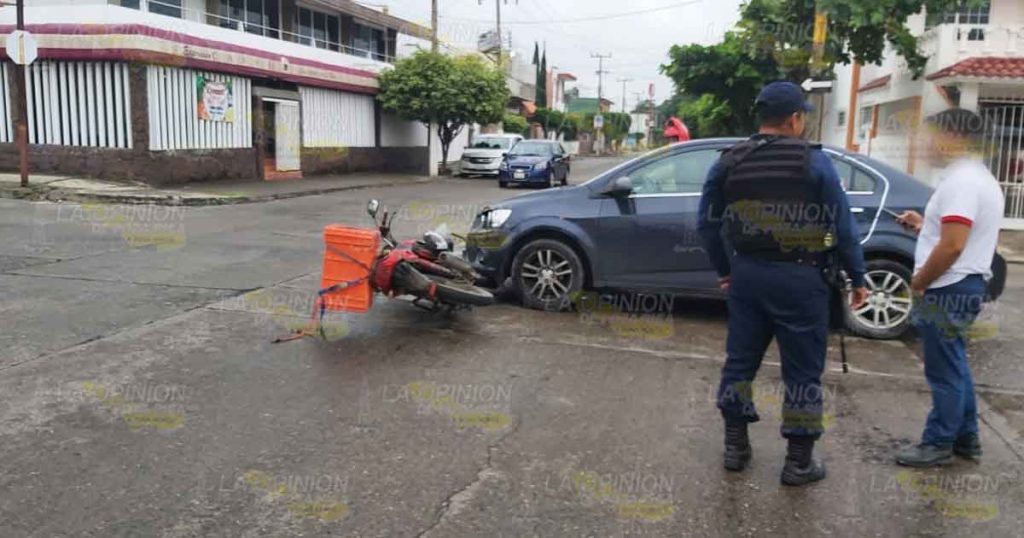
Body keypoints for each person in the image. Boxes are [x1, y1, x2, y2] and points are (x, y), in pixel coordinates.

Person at [697, 81, 869, 486]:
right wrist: (857, 277)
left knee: (740, 364)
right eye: (803, 116)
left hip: (749, 276)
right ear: (794, 119)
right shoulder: (815, 163)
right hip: (802, 278)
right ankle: (798, 462)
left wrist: (725, 270)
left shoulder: (728, 162)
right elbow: (843, 227)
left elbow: (706, 225)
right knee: (803, 372)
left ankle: (735, 448)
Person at [894, 108, 1004, 467]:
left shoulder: (962, 181)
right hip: (964, 283)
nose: (925, 144)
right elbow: (956, 234)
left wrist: (920, 280)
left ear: (953, 136)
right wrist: (925, 225)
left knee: (943, 371)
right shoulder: (976, 177)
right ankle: (966, 438)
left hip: (948, 286)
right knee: (955, 365)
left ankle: (938, 442)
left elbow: (953, 245)